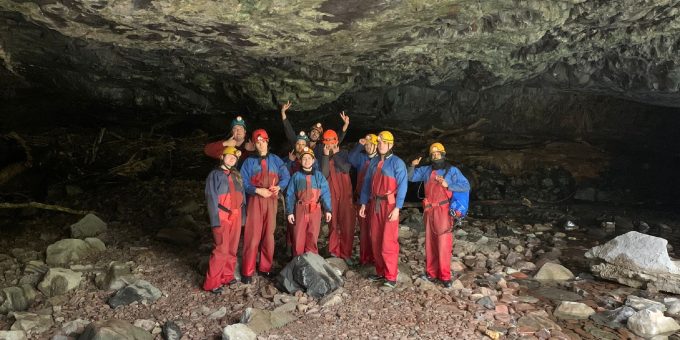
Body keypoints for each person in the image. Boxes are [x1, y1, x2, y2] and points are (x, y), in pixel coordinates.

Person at [408, 143, 470, 288]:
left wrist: (448, 185)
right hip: (429, 210)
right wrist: (412, 165)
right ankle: (431, 273)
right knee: (430, 242)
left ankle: (445, 276)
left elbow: (466, 185)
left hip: (443, 210)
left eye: (438, 154)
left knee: (443, 243)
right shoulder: (426, 170)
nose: (435, 156)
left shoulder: (452, 171)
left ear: (443, 154)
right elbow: (411, 177)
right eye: (433, 154)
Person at [240, 129, 291, 283]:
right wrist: (256, 190)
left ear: (268, 142)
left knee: (269, 235)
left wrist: (279, 187)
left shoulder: (276, 160)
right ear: (255, 144)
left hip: (272, 201)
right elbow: (243, 181)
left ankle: (265, 268)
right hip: (255, 201)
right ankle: (247, 271)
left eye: (263, 141)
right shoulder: (248, 162)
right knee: (252, 235)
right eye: (258, 141)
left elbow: (286, 176)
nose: (261, 144)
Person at [358, 131, 408, 288]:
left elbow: (403, 186)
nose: (380, 145)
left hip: (389, 206)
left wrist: (398, 208)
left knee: (388, 241)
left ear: (390, 144)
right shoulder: (374, 162)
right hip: (375, 205)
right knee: (375, 239)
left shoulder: (397, 163)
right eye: (378, 143)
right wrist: (364, 203)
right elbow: (366, 184)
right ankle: (380, 272)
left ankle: (391, 276)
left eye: (383, 143)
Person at [203, 146, 245, 293]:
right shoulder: (214, 175)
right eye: (229, 156)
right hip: (222, 216)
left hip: (236, 216)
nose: (232, 158)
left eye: (234, 157)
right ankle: (212, 283)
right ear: (222, 157)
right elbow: (210, 197)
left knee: (233, 248)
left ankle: (227, 276)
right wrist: (215, 220)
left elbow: (242, 197)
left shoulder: (236, 175)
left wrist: (242, 217)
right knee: (221, 248)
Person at [286, 147, 332, 256]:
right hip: (300, 209)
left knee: (312, 237)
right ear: (300, 161)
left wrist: (328, 210)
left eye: (309, 158)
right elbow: (290, 195)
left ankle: (311, 265)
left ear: (313, 160)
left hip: (315, 209)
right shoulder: (296, 176)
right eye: (304, 159)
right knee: (298, 237)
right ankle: (298, 263)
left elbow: (325, 193)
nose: (306, 161)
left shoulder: (319, 176)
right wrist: (289, 212)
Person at [321, 129, 356, 264]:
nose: (329, 144)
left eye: (332, 141)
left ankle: (346, 253)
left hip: (346, 196)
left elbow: (345, 169)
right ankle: (334, 252)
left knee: (347, 225)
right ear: (324, 143)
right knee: (333, 224)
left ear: (336, 141)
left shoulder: (344, 153)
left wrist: (335, 155)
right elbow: (323, 174)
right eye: (327, 142)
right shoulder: (322, 156)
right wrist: (325, 156)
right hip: (331, 195)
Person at [279, 100, 350, 160]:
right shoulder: (301, 143)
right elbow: (289, 132)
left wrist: (346, 124)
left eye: (317, 133)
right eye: (313, 131)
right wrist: (283, 113)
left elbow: (336, 140)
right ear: (309, 133)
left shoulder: (321, 148)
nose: (315, 134)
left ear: (319, 137)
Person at [348, 134, 378, 265]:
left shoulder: (381, 160)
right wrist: (359, 144)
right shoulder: (361, 158)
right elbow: (350, 158)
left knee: (376, 230)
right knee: (364, 231)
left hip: (376, 201)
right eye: (366, 145)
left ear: (377, 145)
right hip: (362, 200)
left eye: (370, 144)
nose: (368, 147)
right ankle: (365, 258)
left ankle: (376, 258)